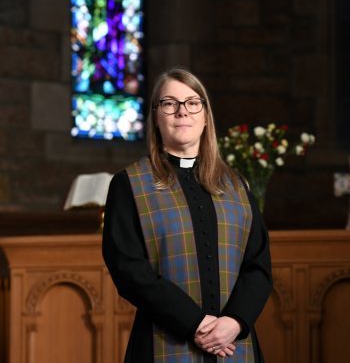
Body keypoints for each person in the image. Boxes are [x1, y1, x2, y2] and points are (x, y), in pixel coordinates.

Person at [102, 68, 273, 362]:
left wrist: (235, 322)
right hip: (162, 341)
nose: (183, 112)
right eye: (169, 103)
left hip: (235, 344)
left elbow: (258, 266)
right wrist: (195, 323)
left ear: (206, 117)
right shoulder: (129, 184)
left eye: (193, 102)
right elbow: (129, 270)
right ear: (156, 117)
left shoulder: (236, 186)